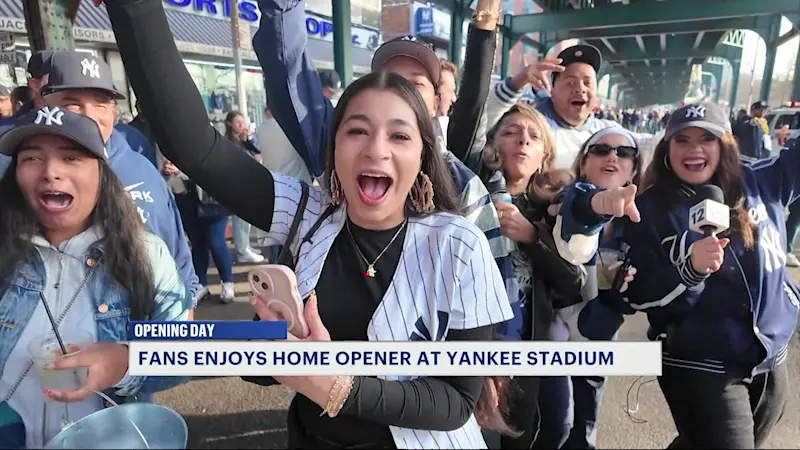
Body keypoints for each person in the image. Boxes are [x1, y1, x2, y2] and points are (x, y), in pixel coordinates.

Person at [104, 3, 516, 448]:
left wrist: (333, 383)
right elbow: (194, 146)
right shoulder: (308, 214)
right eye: (356, 130)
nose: (376, 150)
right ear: (332, 150)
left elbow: (455, 402)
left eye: (399, 135)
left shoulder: (459, 245)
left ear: (422, 156)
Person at [603, 103, 794, 448]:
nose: (694, 150)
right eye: (682, 140)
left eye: (706, 138)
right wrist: (689, 270)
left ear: (726, 144)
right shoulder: (648, 209)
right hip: (700, 364)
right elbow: (635, 294)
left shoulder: (763, 180)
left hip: (770, 356)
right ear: (667, 148)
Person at [0, 107, 191, 448]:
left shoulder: (147, 254)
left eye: (71, 158)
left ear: (102, 173)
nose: (50, 173)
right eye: (32, 158)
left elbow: (184, 350)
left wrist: (125, 360)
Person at [33, 51, 202, 306]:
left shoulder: (141, 169)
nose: (89, 115)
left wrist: (184, 318)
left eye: (100, 104)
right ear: (45, 106)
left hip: (146, 330)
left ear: (113, 111)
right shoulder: (23, 173)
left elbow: (177, 256)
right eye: (72, 104)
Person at [546, 127, 643, 449]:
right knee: (553, 425)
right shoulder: (564, 199)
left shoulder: (641, 220)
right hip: (548, 337)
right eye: (600, 149)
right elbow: (581, 213)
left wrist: (625, 293)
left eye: (623, 152)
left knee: (584, 425)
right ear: (583, 162)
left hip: (598, 334)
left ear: (634, 167)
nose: (612, 156)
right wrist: (603, 202)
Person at [487, 44, 653, 170]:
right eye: (570, 82)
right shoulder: (534, 128)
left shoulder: (607, 132)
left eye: (587, 83)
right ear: (552, 91)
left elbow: (651, 145)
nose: (580, 89)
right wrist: (517, 82)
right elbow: (483, 120)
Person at [224, 110, 265, 265]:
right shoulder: (230, 142)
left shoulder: (243, 140)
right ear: (229, 124)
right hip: (237, 184)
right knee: (239, 220)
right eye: (238, 123)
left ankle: (245, 246)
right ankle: (242, 250)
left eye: (243, 122)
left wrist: (248, 140)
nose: (242, 126)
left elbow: (258, 152)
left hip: (246, 183)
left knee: (245, 220)